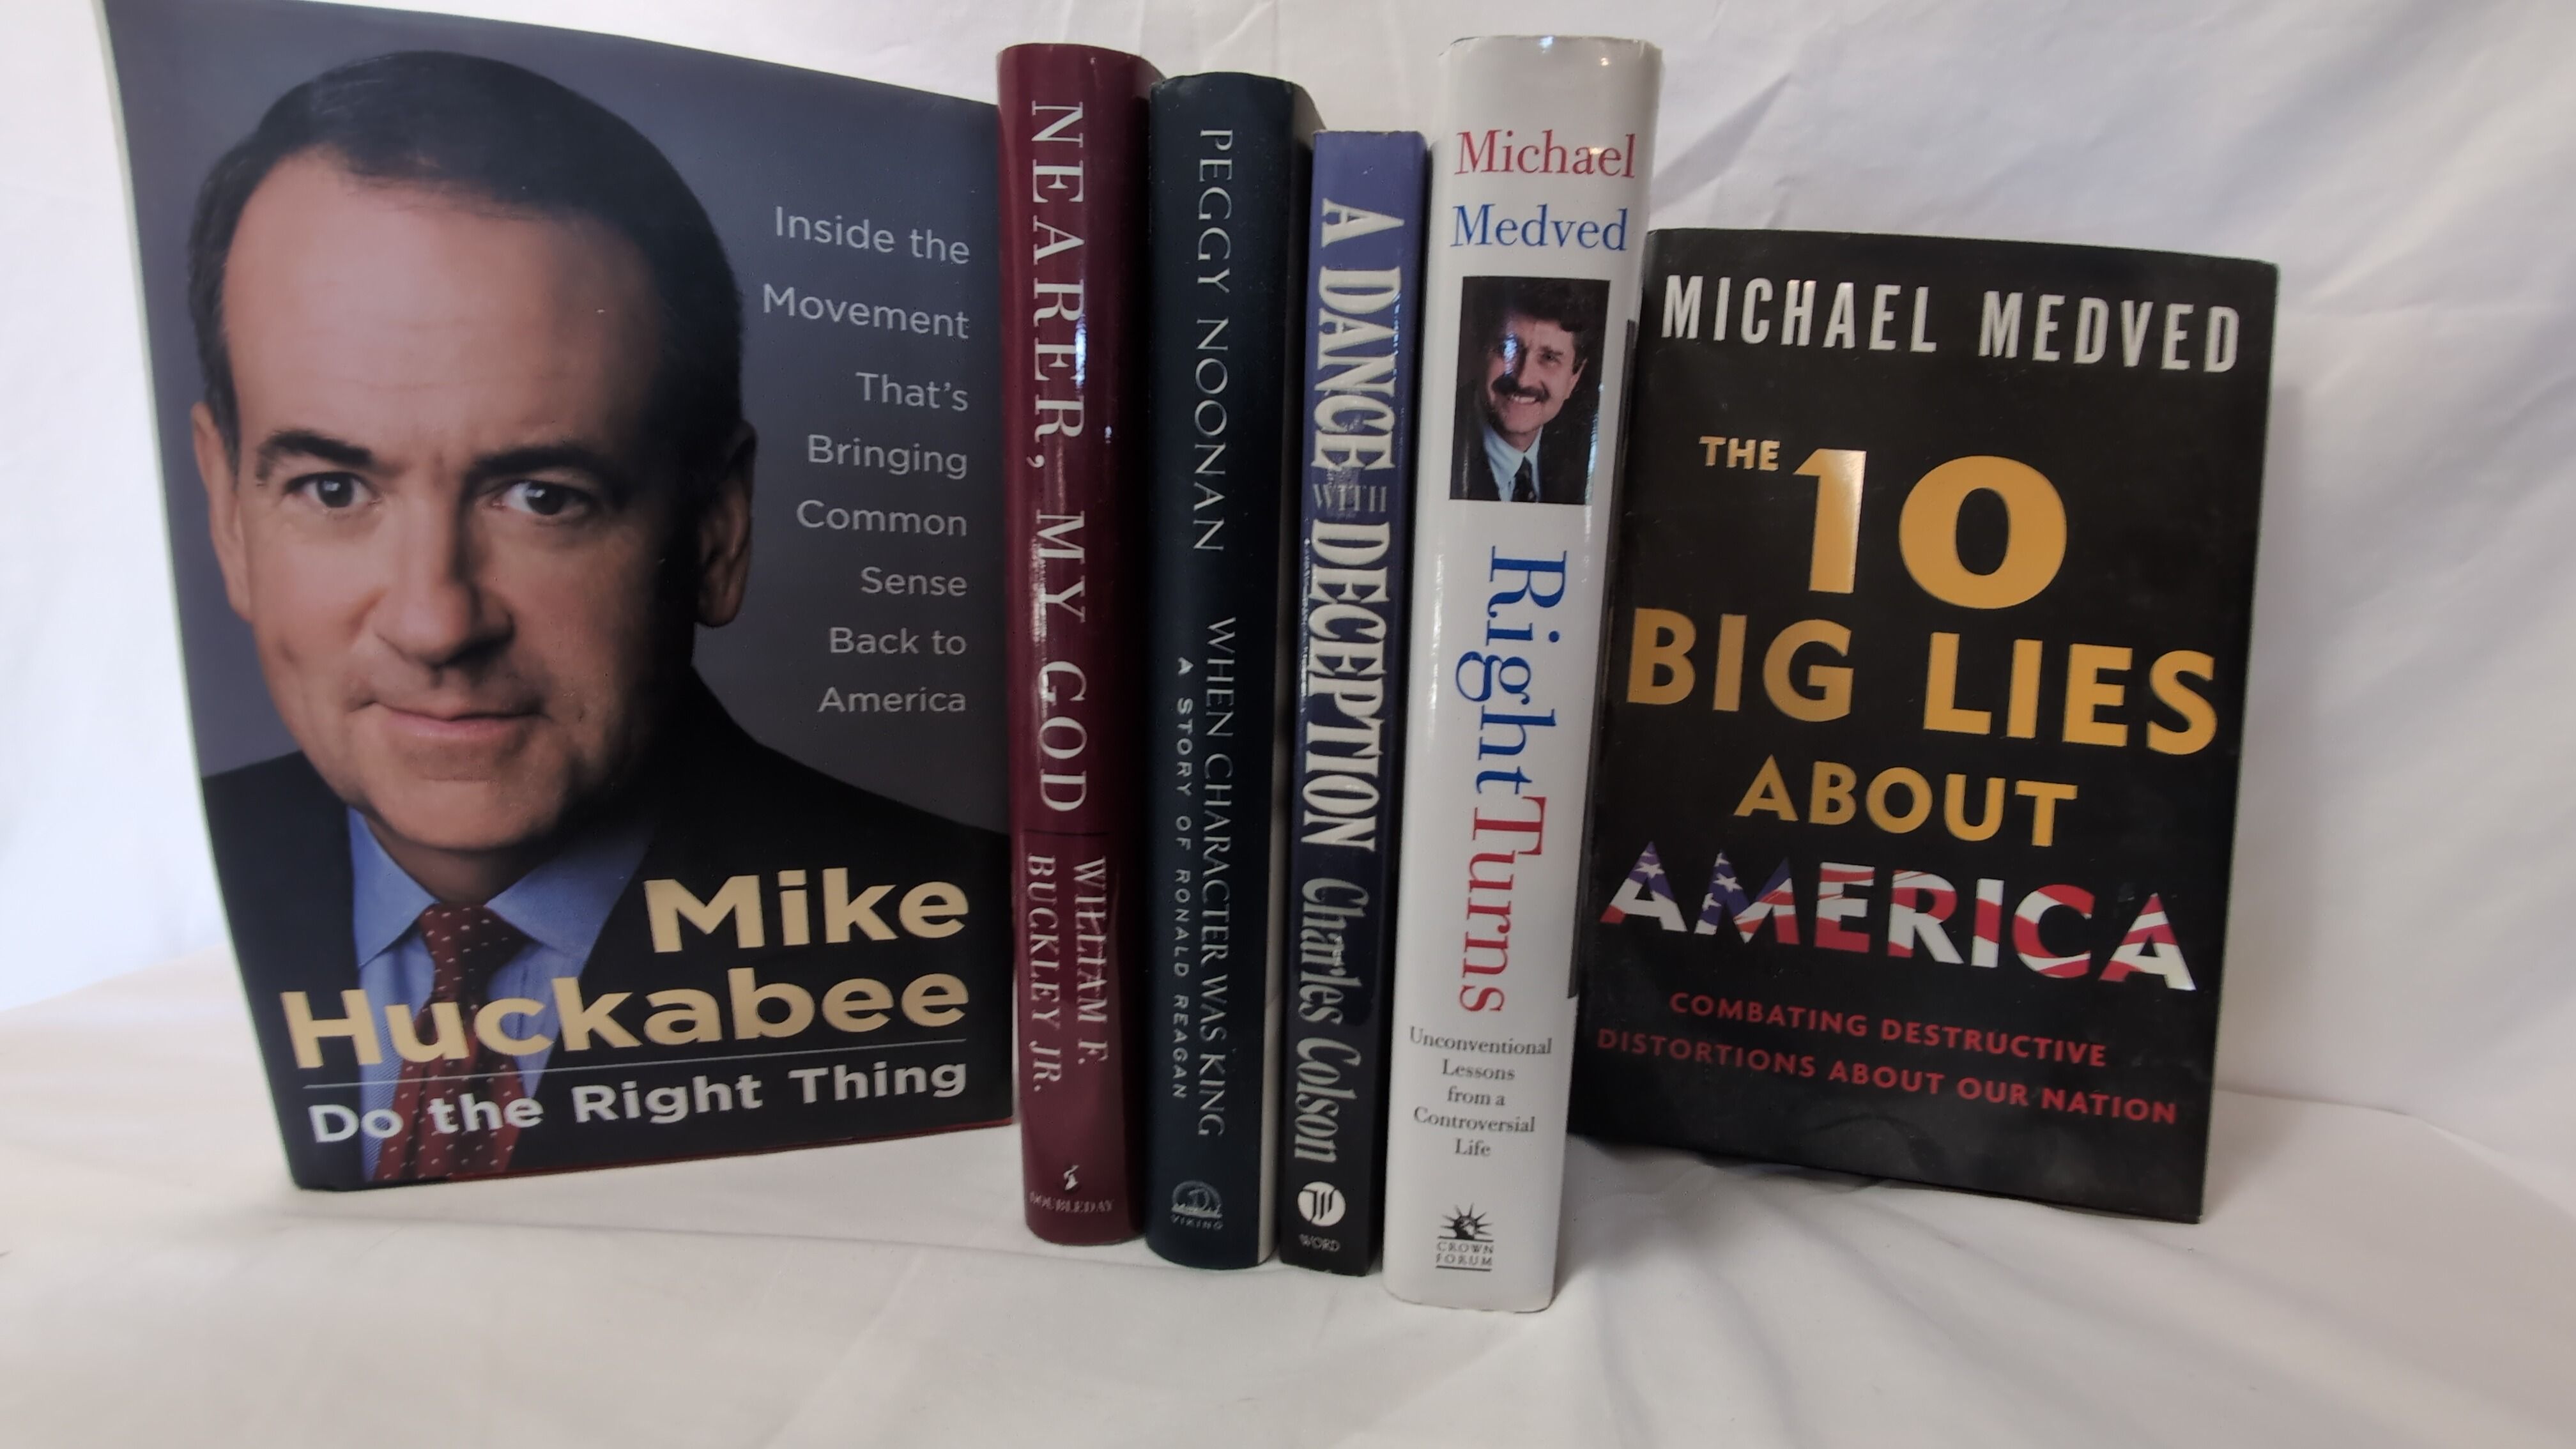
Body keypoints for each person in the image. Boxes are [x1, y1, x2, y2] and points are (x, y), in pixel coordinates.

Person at [187, 51, 1001, 1188]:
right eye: (333, 488)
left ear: (716, 531)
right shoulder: (168, 922)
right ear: (228, 512)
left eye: (543, 497)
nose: (435, 622)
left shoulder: (998, 941)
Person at [1447, 277, 1603, 504]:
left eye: (1549, 358)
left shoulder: (1585, 457)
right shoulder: (1441, 445)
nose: (1523, 379)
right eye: (1508, 349)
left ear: (1574, 378)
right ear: (1479, 352)